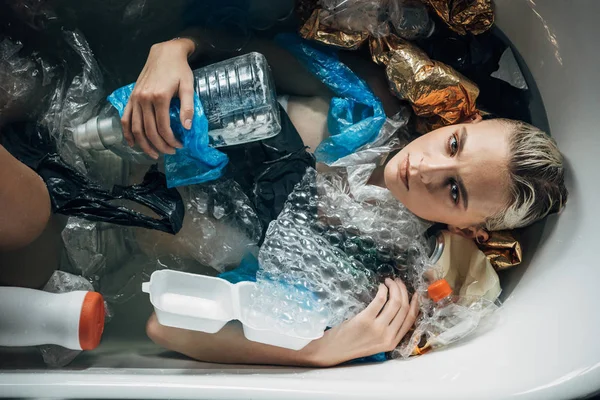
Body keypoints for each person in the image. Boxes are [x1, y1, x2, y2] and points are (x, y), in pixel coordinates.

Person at [122, 35, 567, 367]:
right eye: (453, 145)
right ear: (463, 121)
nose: (424, 168)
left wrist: (318, 350)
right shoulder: (368, 99)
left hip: (112, 217)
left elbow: (166, 326)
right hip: (118, 111)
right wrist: (171, 50)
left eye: (454, 191)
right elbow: (229, 48)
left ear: (471, 230)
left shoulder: (370, 290)